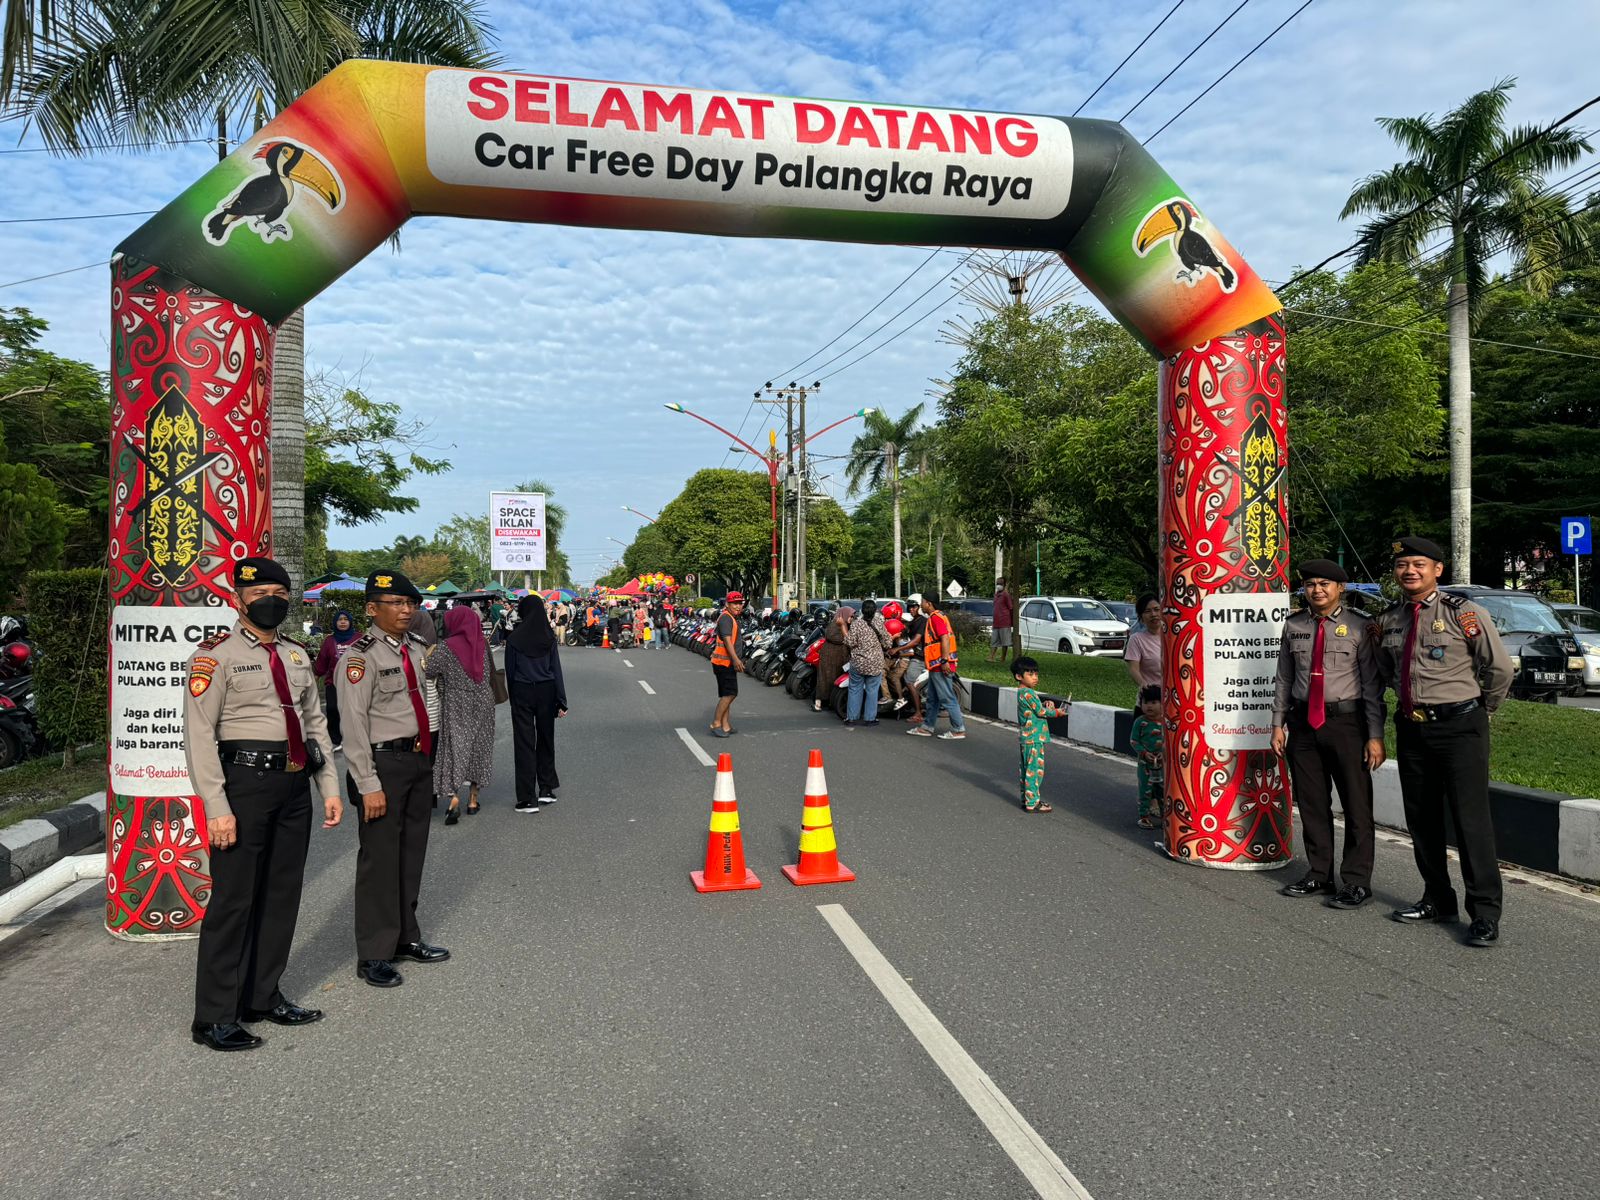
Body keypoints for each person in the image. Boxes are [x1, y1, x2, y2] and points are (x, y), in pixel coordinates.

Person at [184, 556, 342, 1052]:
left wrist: (329, 787)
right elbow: (199, 735)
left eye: (278, 594)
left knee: (281, 895)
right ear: (238, 600)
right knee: (234, 900)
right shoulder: (215, 656)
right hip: (244, 785)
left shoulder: (295, 655)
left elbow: (315, 725)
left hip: (294, 785)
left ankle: (262, 995)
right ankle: (214, 1016)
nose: (270, 602)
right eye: (258, 595)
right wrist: (216, 806)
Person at [1373, 536, 1514, 948]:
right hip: (1412, 728)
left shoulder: (1463, 613)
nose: (1410, 571)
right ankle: (1437, 898)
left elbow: (1499, 668)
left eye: (1419, 564)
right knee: (1422, 819)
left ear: (1437, 570)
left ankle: (1484, 913)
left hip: (1460, 728)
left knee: (1471, 822)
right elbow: (1385, 669)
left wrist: (1482, 710)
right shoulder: (1390, 619)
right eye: (1403, 565)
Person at [336, 570, 451, 989]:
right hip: (382, 765)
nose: (406, 611)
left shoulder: (416, 648)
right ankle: (374, 953)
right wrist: (367, 784)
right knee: (380, 861)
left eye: (410, 604)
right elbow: (353, 727)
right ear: (372, 608)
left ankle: (405, 937)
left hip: (416, 759)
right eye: (396, 603)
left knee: (410, 853)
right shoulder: (359, 659)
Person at [1270, 558, 1387, 908]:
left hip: (1347, 724)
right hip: (1303, 723)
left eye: (1324, 584)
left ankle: (1356, 881)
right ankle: (1319, 874)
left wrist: (1375, 735)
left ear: (1341, 588)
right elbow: (1284, 678)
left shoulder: (1360, 626)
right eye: (1310, 585)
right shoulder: (1294, 625)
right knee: (1311, 803)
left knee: (1356, 805)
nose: (1317, 590)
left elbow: (1372, 685)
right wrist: (1277, 724)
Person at [427, 607, 496, 826]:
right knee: (478, 748)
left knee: (455, 748)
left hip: (456, 702)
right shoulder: (483, 644)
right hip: (483, 701)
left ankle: (454, 798)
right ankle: (473, 800)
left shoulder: (446, 647)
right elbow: (489, 673)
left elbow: (429, 670)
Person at [504, 595, 567, 812]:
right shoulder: (548, 637)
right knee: (546, 739)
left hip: (522, 690)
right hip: (546, 691)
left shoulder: (514, 638)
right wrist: (561, 700)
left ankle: (527, 798)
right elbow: (556, 669)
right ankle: (546, 789)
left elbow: (510, 672)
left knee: (524, 742)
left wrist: (514, 698)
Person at [1012, 656, 1068, 812]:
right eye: (1030, 674)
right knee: (1034, 770)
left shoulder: (1024, 692)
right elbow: (1041, 712)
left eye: (1036, 674)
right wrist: (1056, 712)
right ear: (1019, 676)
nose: (1035, 677)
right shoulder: (1028, 693)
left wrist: (1044, 704)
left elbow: (1035, 708)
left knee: (1026, 770)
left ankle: (1026, 799)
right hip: (1034, 738)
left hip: (1027, 738)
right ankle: (1033, 802)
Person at [908, 592, 965, 739]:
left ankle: (958, 729)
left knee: (947, 697)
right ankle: (927, 727)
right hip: (936, 665)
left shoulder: (935, 618)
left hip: (941, 665)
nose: (921, 605)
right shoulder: (937, 616)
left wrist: (945, 660)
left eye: (922, 602)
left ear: (929, 603)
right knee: (932, 699)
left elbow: (944, 638)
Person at [312, 609, 359, 750]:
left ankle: (354, 738)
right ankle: (335, 739)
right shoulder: (329, 641)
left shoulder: (359, 638)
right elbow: (321, 664)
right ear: (335, 622)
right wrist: (311, 684)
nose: (343, 622)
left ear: (350, 622)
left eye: (346, 619)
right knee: (332, 709)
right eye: (340, 620)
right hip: (333, 683)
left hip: (356, 684)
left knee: (354, 712)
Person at [845, 600, 890, 727]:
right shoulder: (879, 623)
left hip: (858, 662)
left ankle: (851, 718)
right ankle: (870, 719)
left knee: (854, 689)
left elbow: (849, 642)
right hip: (875, 663)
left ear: (862, 610)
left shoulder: (856, 624)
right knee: (872, 691)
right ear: (875, 611)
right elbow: (888, 643)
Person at [709, 592, 746, 737]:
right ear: (727, 604)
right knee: (730, 694)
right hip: (724, 663)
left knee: (726, 694)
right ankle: (716, 723)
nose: (738, 606)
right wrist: (736, 660)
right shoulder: (726, 618)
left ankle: (725, 725)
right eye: (734, 603)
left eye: (740, 603)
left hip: (724, 662)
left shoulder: (730, 617)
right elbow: (727, 641)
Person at [1130, 684, 1164, 828]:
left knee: (1163, 791)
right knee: (1145, 791)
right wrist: (1144, 753)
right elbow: (1134, 741)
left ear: (1162, 703)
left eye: (1154, 702)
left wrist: (1164, 752)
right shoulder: (1140, 722)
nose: (1149, 706)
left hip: (1163, 765)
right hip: (1145, 765)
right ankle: (1144, 816)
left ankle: (1166, 817)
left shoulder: (1166, 722)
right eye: (1146, 702)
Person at [814, 605, 850, 715]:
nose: (852, 618)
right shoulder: (836, 624)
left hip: (839, 657)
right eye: (850, 615)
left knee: (836, 678)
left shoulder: (847, 624)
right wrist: (847, 638)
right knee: (825, 679)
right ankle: (819, 702)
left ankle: (831, 701)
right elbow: (832, 636)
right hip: (829, 656)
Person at [1124, 593, 1162, 693]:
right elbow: (1134, 670)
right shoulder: (1136, 639)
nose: (1153, 614)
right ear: (1141, 618)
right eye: (1147, 611)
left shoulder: (1173, 637)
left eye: (1156, 609)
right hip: (1152, 696)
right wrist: (1145, 687)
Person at [989, 577, 1016, 664]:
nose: (998, 585)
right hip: (996, 622)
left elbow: (1010, 608)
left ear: (1004, 585)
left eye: (1000, 583)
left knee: (1005, 642)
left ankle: (1003, 658)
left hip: (1004, 621)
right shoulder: (996, 595)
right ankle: (991, 657)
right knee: (994, 640)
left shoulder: (1006, 595)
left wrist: (1012, 621)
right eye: (997, 583)